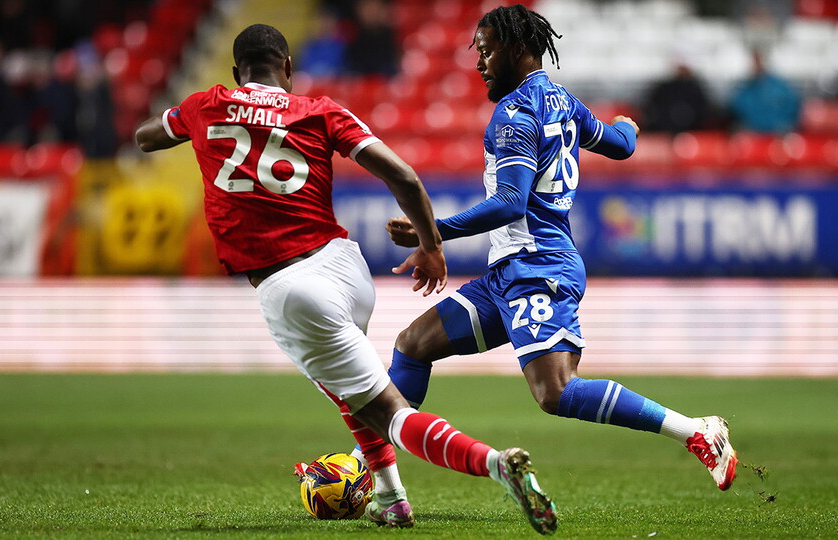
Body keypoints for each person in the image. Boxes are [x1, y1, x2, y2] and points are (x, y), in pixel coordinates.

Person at [134, 24, 557, 535]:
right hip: (345, 269)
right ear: (287, 68)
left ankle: (496, 464)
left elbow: (146, 137)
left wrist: (184, 124)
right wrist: (431, 245)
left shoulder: (205, 106)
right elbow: (403, 176)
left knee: (388, 412)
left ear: (234, 71)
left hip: (291, 288)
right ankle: (391, 498)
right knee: (345, 388)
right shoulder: (320, 110)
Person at [372, 4, 739, 494]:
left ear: (519, 50)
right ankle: (369, 468)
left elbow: (509, 203)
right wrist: (628, 126)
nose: (480, 64)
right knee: (412, 346)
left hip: (537, 267)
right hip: (509, 273)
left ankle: (696, 430)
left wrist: (432, 232)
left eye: (487, 51)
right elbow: (618, 144)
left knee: (555, 391)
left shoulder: (515, 113)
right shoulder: (564, 101)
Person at [728, 49, 800, 134]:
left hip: (777, 135)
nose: (755, 65)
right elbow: (738, 111)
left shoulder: (780, 87)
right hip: (754, 135)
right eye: (754, 62)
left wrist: (785, 125)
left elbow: (792, 107)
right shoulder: (745, 90)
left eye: (758, 61)